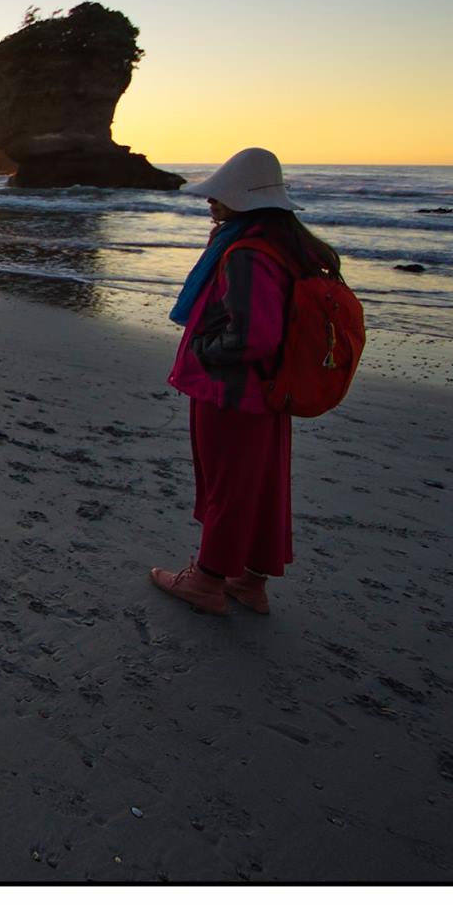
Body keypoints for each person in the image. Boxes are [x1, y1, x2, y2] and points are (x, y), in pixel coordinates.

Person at [151, 147, 341, 616]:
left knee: (227, 486)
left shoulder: (246, 252)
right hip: (271, 390)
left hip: (233, 392)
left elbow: (252, 337)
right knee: (259, 484)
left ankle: (207, 580)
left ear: (247, 200)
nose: (211, 203)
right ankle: (249, 580)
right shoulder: (288, 247)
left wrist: (201, 350)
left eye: (220, 196)